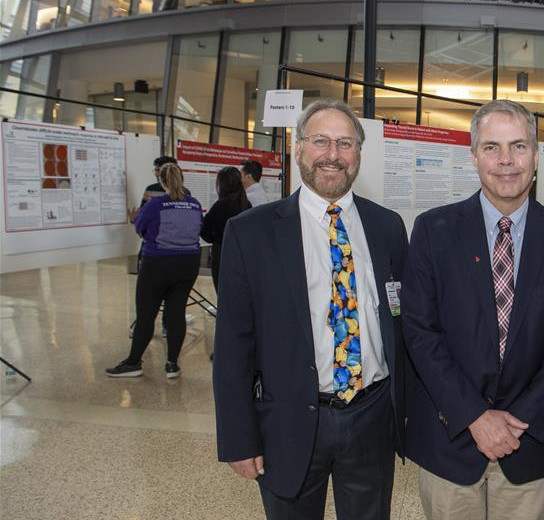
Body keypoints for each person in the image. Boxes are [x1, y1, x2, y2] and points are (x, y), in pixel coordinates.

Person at [213, 99, 409, 520]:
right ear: (297, 148)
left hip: (372, 416)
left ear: (359, 153)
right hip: (289, 420)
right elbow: (233, 345)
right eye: (320, 141)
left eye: (345, 143)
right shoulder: (250, 232)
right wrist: (238, 439)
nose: (333, 155)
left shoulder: (388, 226)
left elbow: (401, 321)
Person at [402, 99, 544, 520]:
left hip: (530, 440)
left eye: (518, 146)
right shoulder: (433, 230)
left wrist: (519, 418)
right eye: (491, 147)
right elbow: (420, 331)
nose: (506, 161)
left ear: (537, 154)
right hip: (450, 437)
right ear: (473, 156)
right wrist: (474, 416)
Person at [106, 163, 203, 379]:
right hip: (188, 264)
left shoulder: (155, 204)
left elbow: (140, 228)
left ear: (161, 181)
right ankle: (172, 365)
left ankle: (133, 363)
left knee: (146, 314)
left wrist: (134, 220)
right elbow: (198, 229)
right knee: (176, 312)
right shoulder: (194, 204)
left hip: (157, 264)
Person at [200, 166, 251, 291]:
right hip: (244, 254)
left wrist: (216, 239)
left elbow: (205, 231)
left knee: (223, 292)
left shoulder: (220, 205)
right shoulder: (246, 204)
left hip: (222, 254)